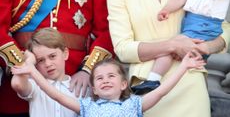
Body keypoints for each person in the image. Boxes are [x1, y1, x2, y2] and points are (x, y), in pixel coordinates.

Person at [135, 0, 230, 94]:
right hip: (191, 23)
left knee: (171, 46)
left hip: (206, 26)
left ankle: (153, 80)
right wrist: (166, 9)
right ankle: (156, 79)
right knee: (172, 49)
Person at [11, 51, 205, 117]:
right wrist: (32, 71)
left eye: (111, 76)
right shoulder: (87, 106)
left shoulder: (134, 104)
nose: (105, 80)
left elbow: (161, 91)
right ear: (93, 88)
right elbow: (56, 95)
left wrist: (184, 66)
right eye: (100, 78)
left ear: (123, 84)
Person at [11, 27, 78, 117]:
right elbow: (17, 84)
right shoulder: (35, 85)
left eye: (52, 56)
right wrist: (29, 61)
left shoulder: (79, 88)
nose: (48, 64)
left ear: (65, 53)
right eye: (41, 60)